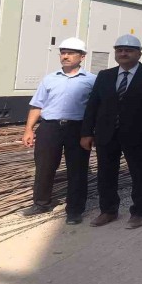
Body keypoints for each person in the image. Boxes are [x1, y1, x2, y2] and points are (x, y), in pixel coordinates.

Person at [81, 34, 142, 229]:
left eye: (128, 50)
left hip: (138, 136)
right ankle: (108, 210)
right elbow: (93, 105)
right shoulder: (105, 76)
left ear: (139, 53)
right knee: (106, 173)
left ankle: (139, 212)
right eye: (119, 50)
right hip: (107, 134)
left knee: (140, 174)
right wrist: (87, 132)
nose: (123, 54)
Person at [20, 38, 95, 225]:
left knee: (77, 169)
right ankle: (41, 203)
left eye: (71, 53)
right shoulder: (49, 79)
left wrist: (90, 132)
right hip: (50, 127)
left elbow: (96, 109)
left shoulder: (92, 80)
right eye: (63, 52)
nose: (65, 56)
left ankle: (75, 210)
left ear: (82, 57)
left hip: (77, 128)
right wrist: (29, 129)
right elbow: (37, 105)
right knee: (44, 166)